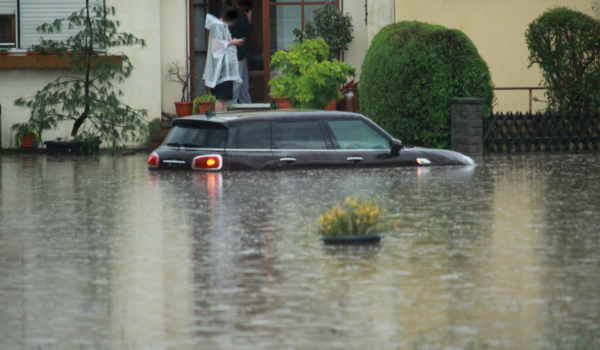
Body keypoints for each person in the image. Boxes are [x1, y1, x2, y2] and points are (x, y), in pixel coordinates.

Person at [203, 7, 245, 112]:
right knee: (221, 98)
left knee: (225, 99)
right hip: (221, 69)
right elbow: (215, 45)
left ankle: (225, 120)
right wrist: (233, 42)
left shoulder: (224, 27)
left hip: (227, 70)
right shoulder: (218, 26)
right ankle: (219, 121)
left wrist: (233, 42)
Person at [229, 0, 253, 104]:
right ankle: (231, 107)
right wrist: (249, 19)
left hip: (238, 54)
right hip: (238, 55)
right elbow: (247, 29)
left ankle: (247, 107)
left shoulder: (232, 13)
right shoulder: (239, 15)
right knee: (238, 84)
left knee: (242, 85)